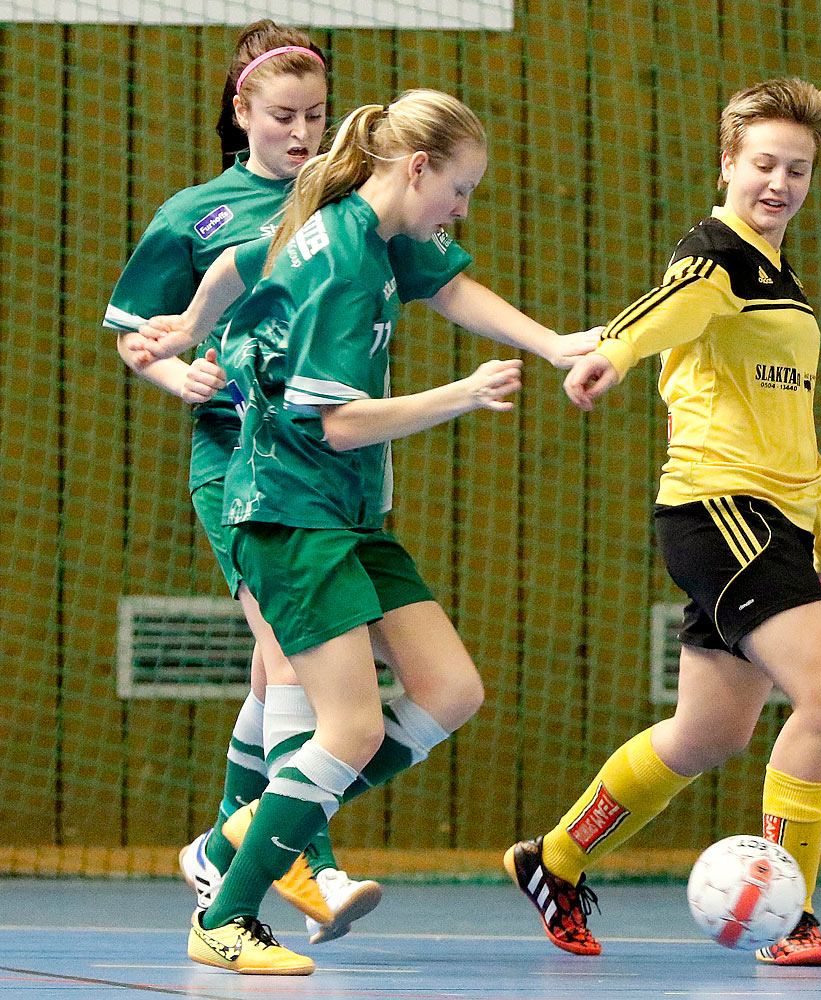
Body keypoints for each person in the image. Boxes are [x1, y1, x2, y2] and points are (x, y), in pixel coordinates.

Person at [172, 87, 538, 976]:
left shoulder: (366, 240)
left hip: (343, 511)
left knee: (450, 690)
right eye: (460, 189)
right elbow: (332, 423)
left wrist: (560, 345)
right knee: (351, 727)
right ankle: (225, 914)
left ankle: (240, 836)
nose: (461, 210)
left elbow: (237, 274)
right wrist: (461, 394)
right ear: (417, 168)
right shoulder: (339, 255)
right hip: (290, 511)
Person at [504, 78, 821, 968]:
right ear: (728, 163)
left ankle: (554, 858)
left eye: (799, 169)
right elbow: (664, 309)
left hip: (773, 519)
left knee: (711, 735)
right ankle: (795, 916)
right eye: (765, 164)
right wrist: (611, 355)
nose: (780, 182)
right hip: (720, 509)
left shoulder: (783, 281)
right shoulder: (714, 255)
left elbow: (792, 433)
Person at [105, 20, 386, 944]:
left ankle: (224, 848)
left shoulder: (343, 206)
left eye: (316, 115)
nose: (302, 133)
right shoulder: (200, 212)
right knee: (290, 652)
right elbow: (136, 332)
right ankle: (305, 857)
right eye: (283, 116)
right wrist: (170, 371)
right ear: (241, 110)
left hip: (326, 459)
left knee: (288, 661)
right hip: (236, 457)